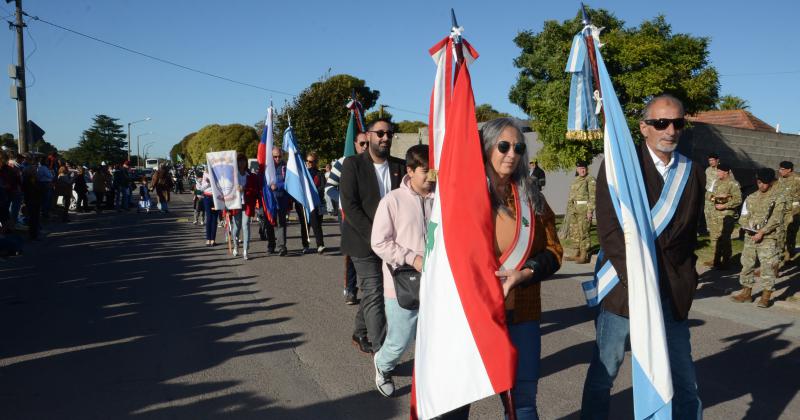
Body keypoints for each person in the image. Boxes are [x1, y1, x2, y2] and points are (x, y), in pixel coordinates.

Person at [581, 95, 705, 419]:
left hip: (670, 294)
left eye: (678, 123)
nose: (671, 130)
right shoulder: (621, 165)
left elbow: (690, 234)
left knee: (684, 382)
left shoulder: (691, 171)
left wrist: (687, 278)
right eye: (661, 123)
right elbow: (609, 232)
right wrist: (638, 278)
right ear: (644, 127)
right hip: (626, 290)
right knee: (604, 375)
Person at [370, 145, 435, 397]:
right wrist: (412, 258)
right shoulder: (392, 201)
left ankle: (429, 379)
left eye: (434, 171)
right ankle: (383, 365)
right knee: (400, 341)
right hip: (401, 284)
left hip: (435, 283)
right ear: (409, 170)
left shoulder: (441, 199)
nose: (431, 177)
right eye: (425, 171)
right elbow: (379, 242)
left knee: (430, 337)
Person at [340, 118, 405, 354]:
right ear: (368, 136)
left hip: (393, 244)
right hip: (362, 242)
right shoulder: (352, 165)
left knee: (373, 292)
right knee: (375, 290)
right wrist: (376, 238)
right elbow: (350, 205)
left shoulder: (400, 167)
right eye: (380, 133)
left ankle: (359, 332)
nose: (385, 137)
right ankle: (382, 351)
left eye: (389, 133)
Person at [731, 168, 787, 308]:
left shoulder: (778, 197)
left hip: (768, 238)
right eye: (759, 182)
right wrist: (746, 226)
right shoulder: (751, 197)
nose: (761, 185)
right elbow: (743, 215)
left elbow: (776, 218)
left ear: (771, 182)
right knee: (747, 264)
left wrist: (762, 232)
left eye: (765, 183)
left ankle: (766, 296)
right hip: (750, 236)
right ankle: (746, 293)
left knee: (768, 266)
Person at [327, 132, 369, 305]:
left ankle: (373, 289)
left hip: (371, 214)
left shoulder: (376, 162)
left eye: (368, 143)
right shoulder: (342, 162)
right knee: (352, 253)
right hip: (348, 214)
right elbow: (329, 188)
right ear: (354, 143)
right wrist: (345, 199)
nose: (365, 147)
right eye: (362, 143)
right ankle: (350, 289)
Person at [703, 163, 741, 269]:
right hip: (715, 214)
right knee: (714, 238)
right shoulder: (716, 182)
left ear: (726, 172)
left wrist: (725, 204)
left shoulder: (733, 184)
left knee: (725, 239)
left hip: (726, 216)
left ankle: (726, 261)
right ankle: (716, 260)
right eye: (717, 171)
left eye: (719, 171)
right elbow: (708, 194)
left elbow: (738, 200)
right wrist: (714, 197)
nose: (717, 173)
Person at [230, 153, 261, 260]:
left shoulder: (251, 176)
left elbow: (255, 190)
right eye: (239, 161)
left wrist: (245, 189)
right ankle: (236, 246)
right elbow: (227, 189)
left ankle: (245, 250)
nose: (241, 163)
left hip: (247, 204)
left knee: (246, 226)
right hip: (235, 204)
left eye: (243, 161)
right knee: (236, 228)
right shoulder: (232, 175)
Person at [564, 161, 595, 264]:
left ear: (586, 169)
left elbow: (593, 197)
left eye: (584, 168)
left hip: (584, 209)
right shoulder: (576, 180)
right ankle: (576, 253)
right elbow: (571, 196)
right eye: (580, 168)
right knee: (575, 232)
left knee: (584, 231)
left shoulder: (590, 180)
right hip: (574, 209)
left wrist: (590, 211)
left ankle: (584, 255)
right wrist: (570, 209)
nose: (582, 170)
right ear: (577, 169)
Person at [296, 150, 325, 254]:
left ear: (315, 162)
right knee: (305, 225)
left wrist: (314, 192)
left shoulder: (319, 174)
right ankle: (305, 245)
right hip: (304, 203)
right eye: (307, 161)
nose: (309, 163)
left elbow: (322, 187)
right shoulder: (302, 174)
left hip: (316, 203)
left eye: (311, 162)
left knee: (317, 224)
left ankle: (320, 245)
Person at [265, 146, 289, 256]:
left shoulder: (286, 167)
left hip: (281, 199)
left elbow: (289, 182)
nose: (277, 159)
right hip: (269, 201)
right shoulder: (266, 167)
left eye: (279, 156)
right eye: (275, 157)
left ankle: (281, 247)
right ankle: (271, 245)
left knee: (281, 224)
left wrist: (278, 186)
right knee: (269, 224)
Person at [776, 161, 800, 263]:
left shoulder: (797, 179)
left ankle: (789, 254)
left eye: (782, 169)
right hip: (782, 210)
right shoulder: (781, 179)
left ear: (789, 170)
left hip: (794, 211)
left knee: (791, 232)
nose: (779, 171)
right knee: (780, 232)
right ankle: (780, 254)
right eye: (779, 169)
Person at [198, 171, 218, 246]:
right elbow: (201, 188)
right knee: (209, 217)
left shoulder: (218, 172)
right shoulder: (205, 174)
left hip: (216, 198)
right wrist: (208, 183)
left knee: (214, 218)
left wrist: (214, 182)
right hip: (207, 197)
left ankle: (213, 239)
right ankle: (208, 239)